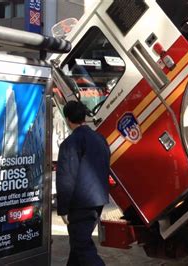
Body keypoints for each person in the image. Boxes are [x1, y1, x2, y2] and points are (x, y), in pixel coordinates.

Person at [56, 101, 110, 266]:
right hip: (98, 200)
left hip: (80, 204)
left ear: (67, 119)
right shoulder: (100, 138)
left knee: (82, 248)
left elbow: (66, 178)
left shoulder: (70, 144)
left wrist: (63, 209)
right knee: (78, 245)